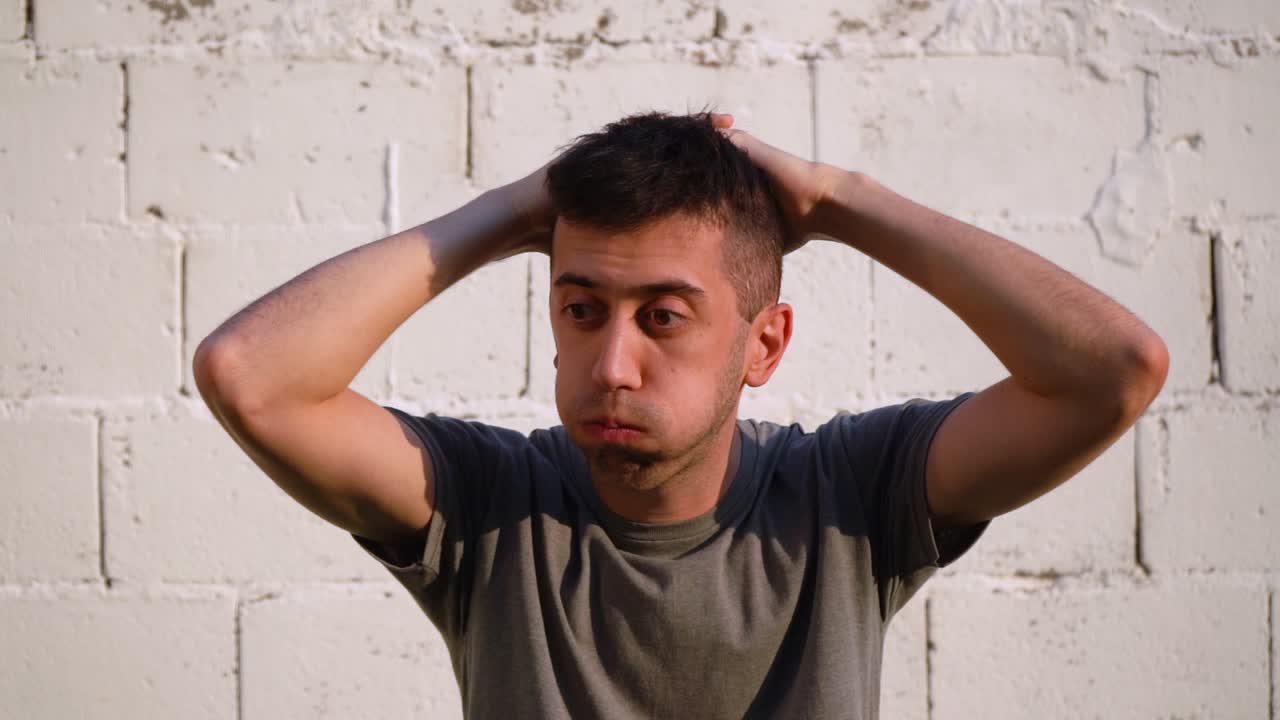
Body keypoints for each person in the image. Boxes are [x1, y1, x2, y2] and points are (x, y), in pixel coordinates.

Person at [193, 110, 1169, 719]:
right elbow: (249, 374)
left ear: (763, 344)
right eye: (580, 310)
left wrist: (836, 199)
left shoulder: (848, 496)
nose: (611, 365)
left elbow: (1112, 372)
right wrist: (512, 210)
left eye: (663, 318)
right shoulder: (487, 507)